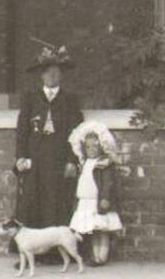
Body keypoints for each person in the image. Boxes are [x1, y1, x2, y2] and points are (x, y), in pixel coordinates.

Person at [13, 45, 83, 232]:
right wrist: (21, 156)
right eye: (48, 72)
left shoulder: (70, 100)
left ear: (61, 76)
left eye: (56, 72)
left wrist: (72, 160)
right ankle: (32, 253)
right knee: (32, 200)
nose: (52, 76)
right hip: (35, 156)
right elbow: (22, 130)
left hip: (59, 156)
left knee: (56, 201)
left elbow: (77, 133)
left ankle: (54, 251)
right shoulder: (31, 98)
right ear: (41, 76)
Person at [67, 120, 124, 265]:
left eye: (95, 146)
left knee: (102, 230)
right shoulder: (84, 163)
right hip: (86, 201)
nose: (91, 149)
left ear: (101, 147)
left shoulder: (103, 164)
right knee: (93, 230)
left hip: (97, 201)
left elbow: (107, 183)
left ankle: (102, 256)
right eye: (88, 147)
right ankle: (95, 255)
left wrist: (105, 198)